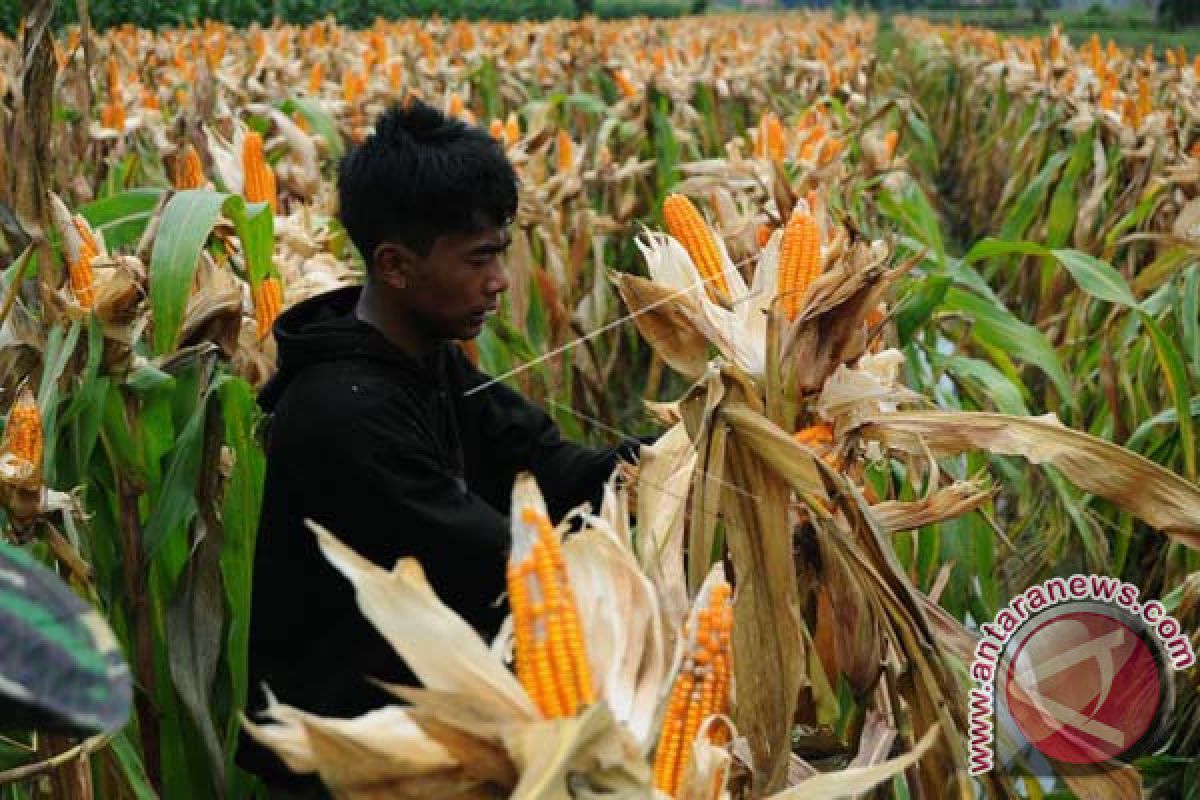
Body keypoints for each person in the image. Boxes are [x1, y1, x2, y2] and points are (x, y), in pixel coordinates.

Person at [235, 100, 642, 795]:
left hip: (431, 740)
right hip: (359, 764)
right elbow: (496, 562)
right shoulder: (344, 414)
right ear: (394, 265)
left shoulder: (427, 360)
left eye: (501, 254)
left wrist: (681, 454)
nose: (501, 282)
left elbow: (545, 463)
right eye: (479, 259)